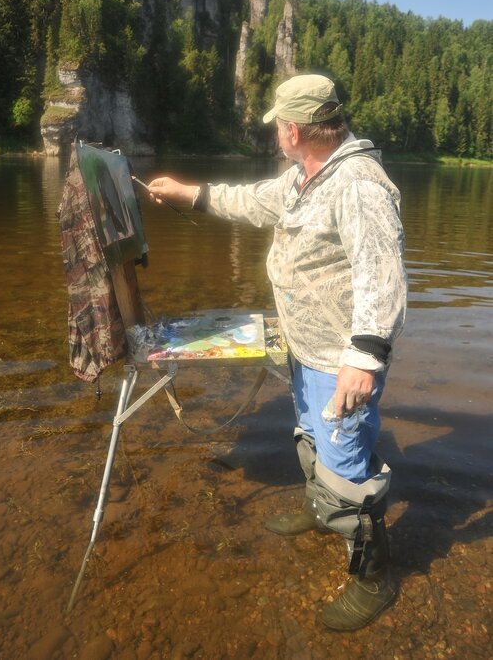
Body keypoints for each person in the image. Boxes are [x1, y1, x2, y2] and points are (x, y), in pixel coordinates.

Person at [146, 74, 407, 631]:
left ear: (294, 129)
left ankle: (374, 576)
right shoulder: (304, 177)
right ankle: (321, 515)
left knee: (348, 471)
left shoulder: (358, 183)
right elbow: (254, 200)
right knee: (313, 439)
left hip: (340, 361)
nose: (275, 137)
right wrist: (191, 195)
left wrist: (363, 357)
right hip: (305, 349)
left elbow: (381, 275)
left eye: (277, 128)